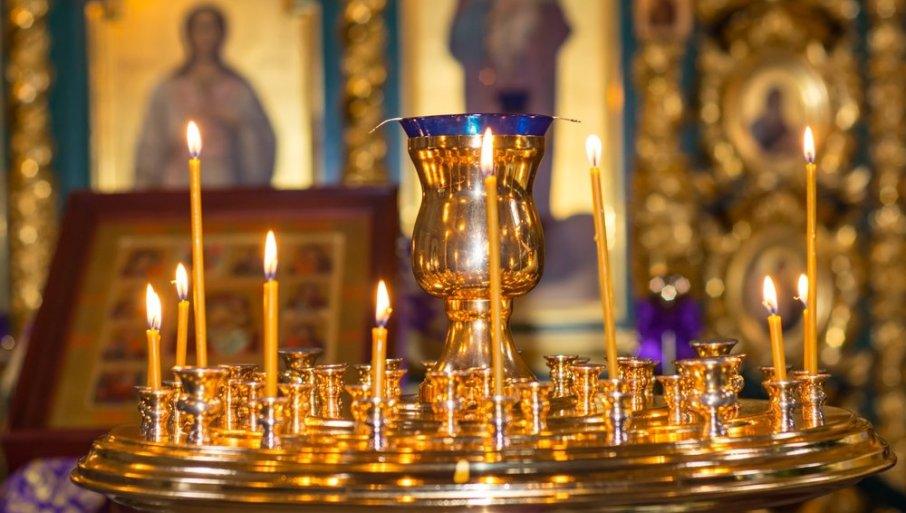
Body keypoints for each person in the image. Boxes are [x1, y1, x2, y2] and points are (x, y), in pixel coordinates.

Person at [135, 4, 276, 188]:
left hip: (226, 184)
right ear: (188, 34)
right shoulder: (167, 89)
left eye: (211, 28)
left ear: (222, 34)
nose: (205, 36)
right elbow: (151, 145)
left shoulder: (240, 89)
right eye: (200, 28)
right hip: (177, 184)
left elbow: (260, 140)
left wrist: (237, 125)